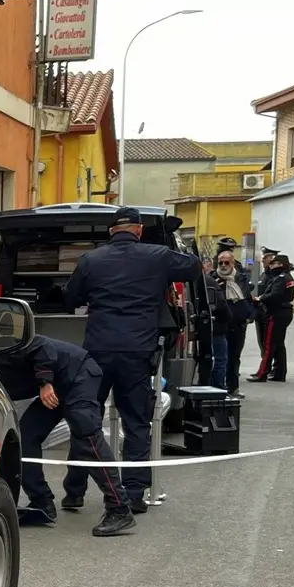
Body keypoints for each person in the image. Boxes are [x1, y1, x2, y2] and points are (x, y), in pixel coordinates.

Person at [62, 206, 201, 513]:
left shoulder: (91, 260)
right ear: (138, 230)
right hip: (137, 352)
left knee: (87, 419)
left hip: (97, 351)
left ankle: (75, 490)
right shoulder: (157, 256)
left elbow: (71, 298)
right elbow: (193, 267)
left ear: (111, 230)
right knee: (137, 422)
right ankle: (134, 493)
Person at [0, 334, 135, 537]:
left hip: (78, 373)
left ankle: (120, 508)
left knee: (88, 438)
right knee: (25, 437)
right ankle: (42, 503)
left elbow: (42, 346)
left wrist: (45, 382)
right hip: (56, 385)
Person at [211, 250, 255, 396]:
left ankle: (233, 387)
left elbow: (248, 298)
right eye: (220, 263)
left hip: (238, 325)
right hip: (219, 324)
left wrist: (250, 315)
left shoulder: (241, 278)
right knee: (219, 358)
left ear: (233, 263)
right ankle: (217, 388)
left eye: (227, 262)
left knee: (234, 357)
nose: (223, 265)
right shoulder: (212, 278)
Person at [250, 253, 294, 382]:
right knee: (278, 344)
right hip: (284, 312)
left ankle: (262, 373)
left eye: (273, 263)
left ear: (280, 264)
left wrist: (260, 298)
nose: (270, 266)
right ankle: (279, 373)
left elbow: (275, 295)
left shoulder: (280, 278)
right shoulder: (286, 276)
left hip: (277, 313)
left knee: (269, 344)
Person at [254, 247, 278, 357]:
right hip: (259, 313)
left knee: (269, 342)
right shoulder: (264, 274)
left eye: (265, 258)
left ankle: (268, 364)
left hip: (268, 313)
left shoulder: (275, 275)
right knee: (261, 340)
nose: (263, 260)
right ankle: (264, 362)